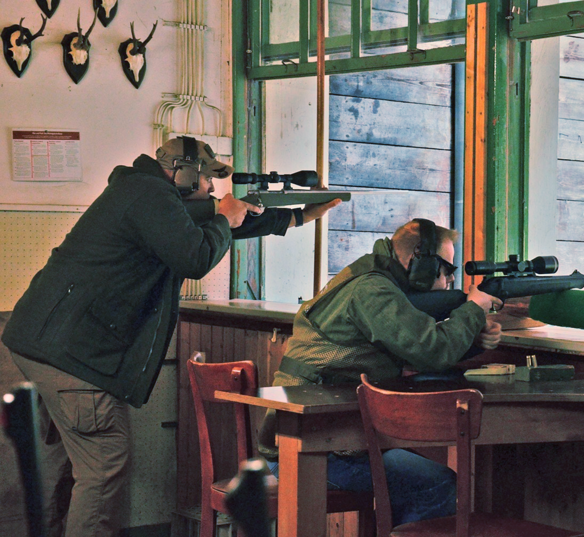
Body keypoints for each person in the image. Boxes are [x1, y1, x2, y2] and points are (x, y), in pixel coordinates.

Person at [1, 136, 339, 537]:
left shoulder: (139, 191)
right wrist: (223, 217)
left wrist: (298, 217)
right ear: (184, 173)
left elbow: (218, 226)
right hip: (74, 357)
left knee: (63, 465)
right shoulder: (150, 196)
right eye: (207, 180)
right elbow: (195, 255)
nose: (213, 189)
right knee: (104, 465)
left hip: (42, 346)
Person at [258, 218, 503, 527]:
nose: (448, 281)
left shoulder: (369, 277)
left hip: (317, 435)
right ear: (421, 260)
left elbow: (411, 349)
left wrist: (474, 339)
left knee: (419, 472)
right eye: (446, 269)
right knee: (438, 485)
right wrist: (474, 309)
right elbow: (431, 349)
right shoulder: (373, 290)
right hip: (313, 447)